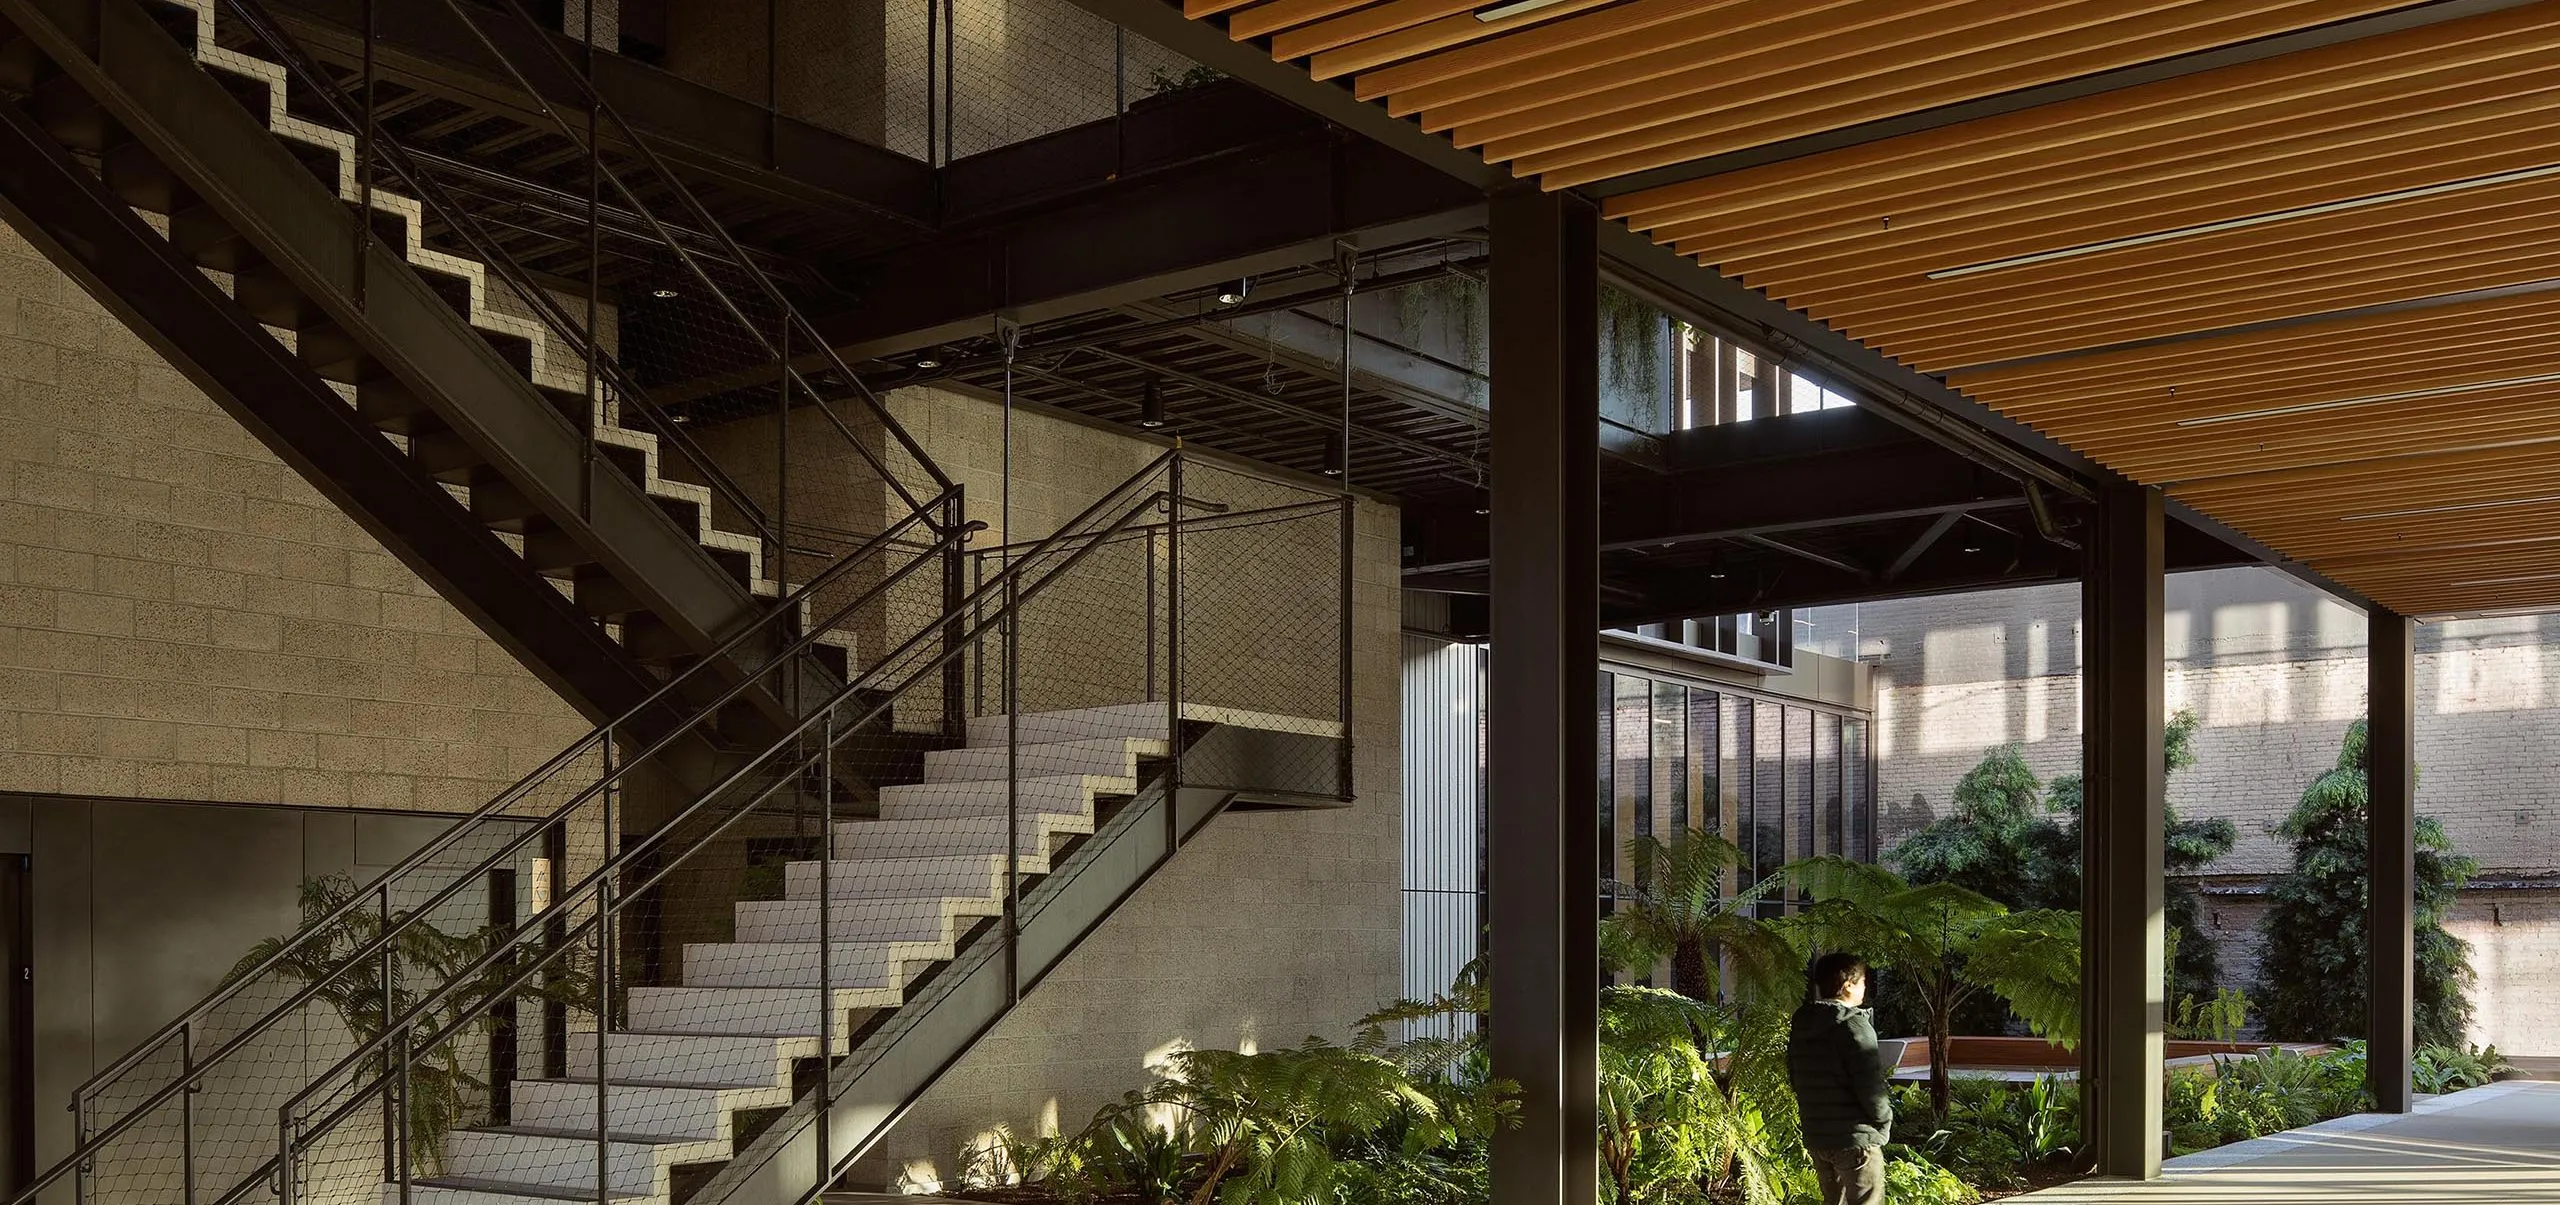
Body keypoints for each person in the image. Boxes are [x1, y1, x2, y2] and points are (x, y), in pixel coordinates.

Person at [1786, 952, 1892, 1205]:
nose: (1865, 987)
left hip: (1819, 1136)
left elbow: (1794, 1077)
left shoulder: (1802, 1026)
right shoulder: (1853, 1026)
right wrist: (1883, 1123)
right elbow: (1871, 1086)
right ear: (1848, 985)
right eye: (1863, 981)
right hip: (1855, 1139)